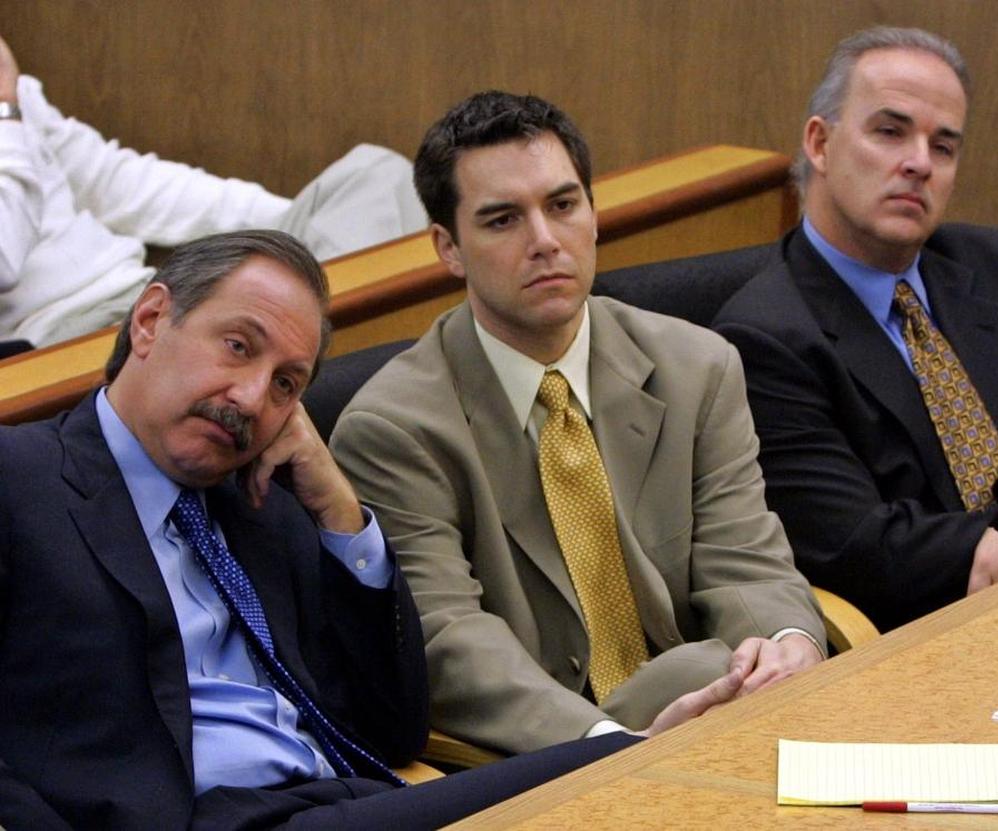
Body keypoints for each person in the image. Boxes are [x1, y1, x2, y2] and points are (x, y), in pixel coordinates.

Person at [0, 229, 742, 831]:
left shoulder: (261, 503)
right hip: (196, 817)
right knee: (627, 777)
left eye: (288, 383)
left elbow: (391, 727)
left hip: (344, 800)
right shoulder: (20, 479)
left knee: (659, 782)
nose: (253, 398)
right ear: (153, 319)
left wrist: (340, 516)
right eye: (238, 346)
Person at [332, 91, 826, 756]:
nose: (544, 241)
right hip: (551, 752)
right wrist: (609, 743)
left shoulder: (697, 366)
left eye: (562, 205)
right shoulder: (394, 429)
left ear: (593, 214)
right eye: (503, 220)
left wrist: (784, 652)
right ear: (449, 248)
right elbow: (450, 643)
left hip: (724, 711)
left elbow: (747, 563)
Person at [712, 26, 998, 632]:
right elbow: (862, 549)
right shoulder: (764, 336)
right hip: (931, 632)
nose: (918, 163)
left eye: (943, 147)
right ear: (820, 142)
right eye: (890, 132)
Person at [0, 33, 427, 347]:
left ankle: (314, 357)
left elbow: (117, 183)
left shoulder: (21, 99)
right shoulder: (9, 110)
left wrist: (289, 233)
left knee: (376, 175)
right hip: (66, 339)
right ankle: (317, 366)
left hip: (152, 290)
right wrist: (5, 109)